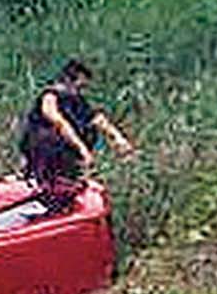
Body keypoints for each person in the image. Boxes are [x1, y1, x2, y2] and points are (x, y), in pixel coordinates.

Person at [19, 59, 135, 193]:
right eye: (79, 86)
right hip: (43, 149)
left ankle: (68, 178)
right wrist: (82, 150)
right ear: (68, 80)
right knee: (50, 138)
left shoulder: (76, 101)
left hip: (65, 153)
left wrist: (118, 139)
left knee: (89, 129)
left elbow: (97, 119)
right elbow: (58, 122)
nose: (81, 90)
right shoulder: (50, 96)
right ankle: (40, 179)